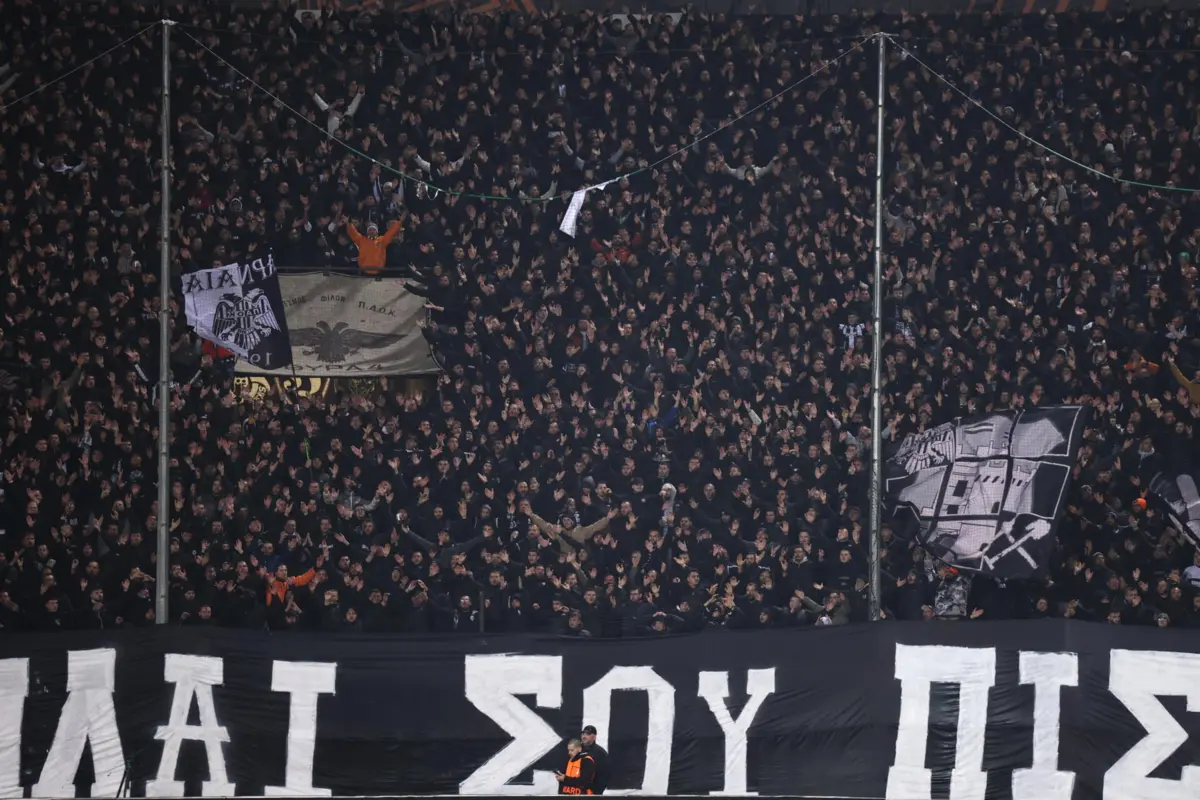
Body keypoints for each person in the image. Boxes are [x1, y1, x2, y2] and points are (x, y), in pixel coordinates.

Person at [580, 725, 610, 794]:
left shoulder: (600, 753)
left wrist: (596, 792)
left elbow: (606, 774)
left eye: (587, 734)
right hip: (575, 792)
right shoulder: (576, 750)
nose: (584, 736)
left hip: (592, 793)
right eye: (583, 734)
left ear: (594, 736)